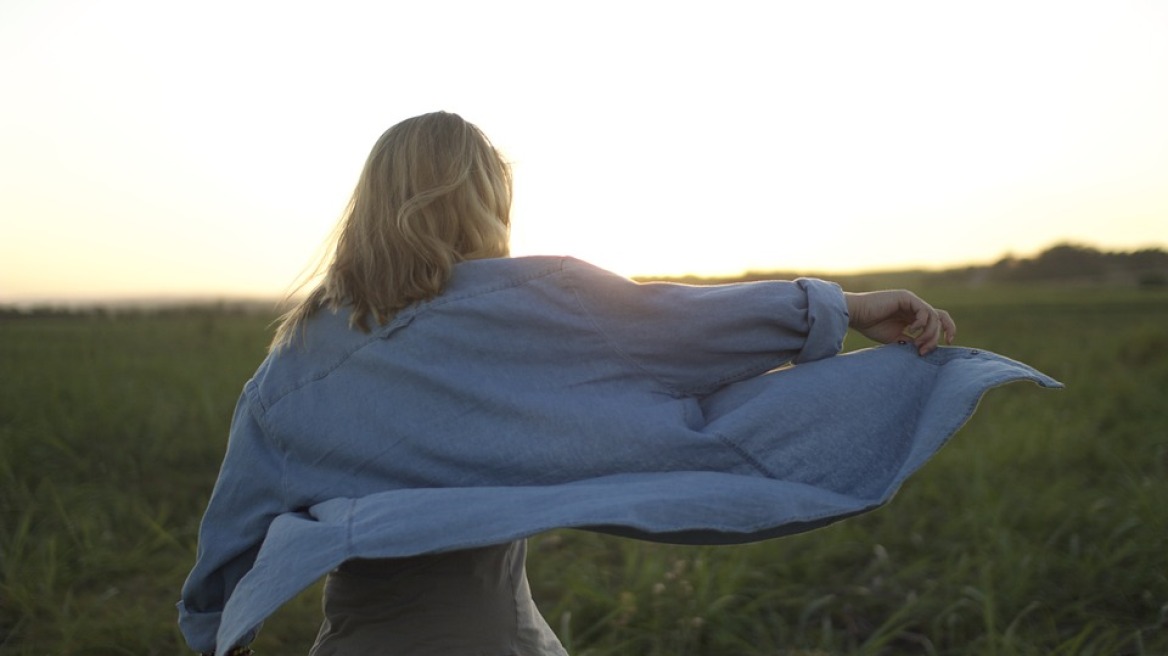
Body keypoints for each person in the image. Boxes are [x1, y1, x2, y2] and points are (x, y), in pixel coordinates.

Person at [177, 111, 1060, 655]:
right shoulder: (532, 304)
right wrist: (841, 309)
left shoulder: (288, 369)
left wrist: (221, 630)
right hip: (497, 640)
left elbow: (229, 541)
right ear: (482, 201)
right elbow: (676, 323)